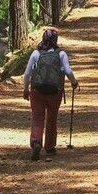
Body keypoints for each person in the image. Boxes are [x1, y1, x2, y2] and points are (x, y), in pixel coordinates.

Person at [23, 29, 78, 161]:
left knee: (37, 118)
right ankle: (50, 147)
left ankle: (36, 142)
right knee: (52, 118)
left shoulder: (36, 53)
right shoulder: (61, 54)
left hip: (37, 91)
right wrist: (74, 82)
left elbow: (27, 74)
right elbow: (68, 70)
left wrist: (25, 88)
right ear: (55, 39)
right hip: (55, 91)